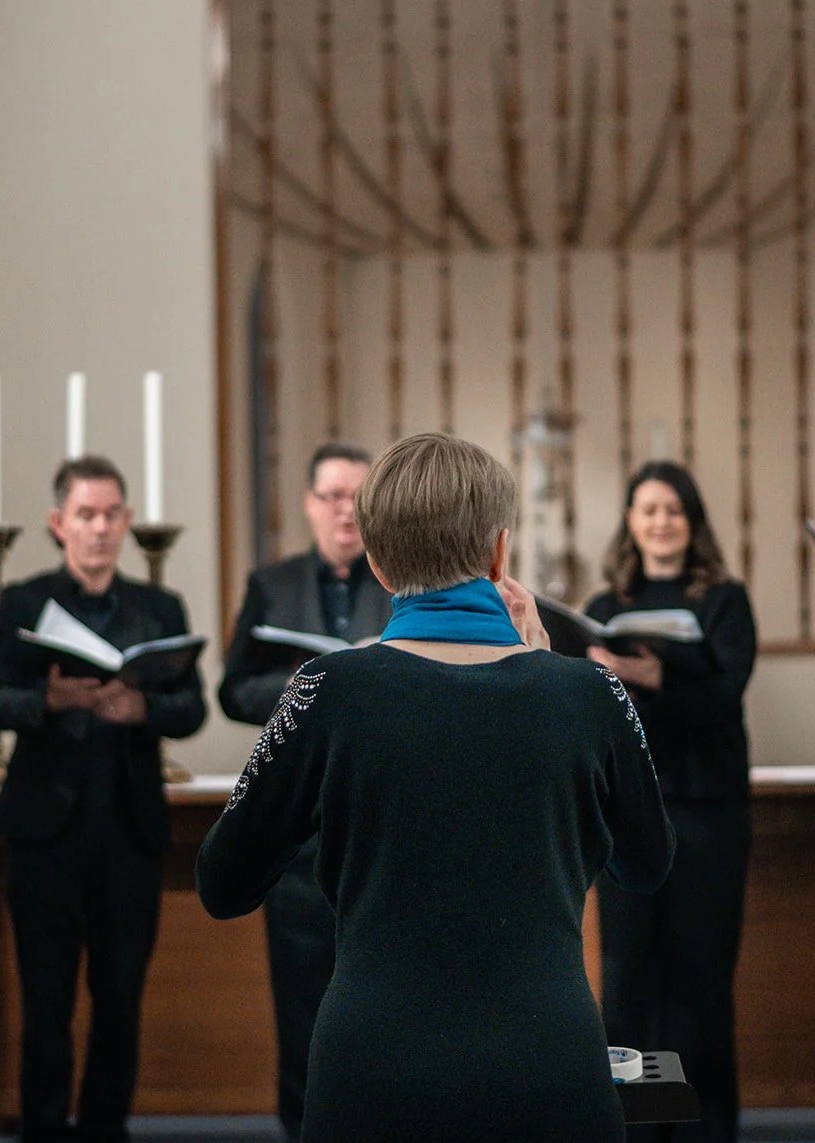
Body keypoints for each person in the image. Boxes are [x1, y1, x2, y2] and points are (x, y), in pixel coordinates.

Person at [197, 432, 674, 1142]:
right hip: (549, 1064)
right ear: (499, 553)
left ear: (380, 566)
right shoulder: (589, 691)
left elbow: (223, 881)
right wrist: (547, 674)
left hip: (374, 1070)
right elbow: (647, 862)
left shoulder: (325, 690)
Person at [0, 455, 207, 1143]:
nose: (100, 527)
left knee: (119, 999)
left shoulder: (158, 607)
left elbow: (191, 706)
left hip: (129, 827)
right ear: (58, 523)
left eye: (112, 514)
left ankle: (106, 1127)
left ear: (128, 521)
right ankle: (45, 1128)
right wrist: (51, 697)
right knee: (45, 1000)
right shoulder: (23, 602)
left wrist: (142, 707)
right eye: (86, 514)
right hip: (45, 827)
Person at [217, 441, 392, 1140]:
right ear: (309, 504)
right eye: (331, 496)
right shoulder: (272, 583)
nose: (344, 510)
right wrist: (306, 683)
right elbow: (232, 688)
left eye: (356, 496)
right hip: (299, 832)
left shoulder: (397, 581)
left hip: (380, 831)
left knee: (382, 1007)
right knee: (302, 1009)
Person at [585, 460, 758, 1143]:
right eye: (648, 508)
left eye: (674, 509)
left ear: (693, 521)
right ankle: (636, 1129)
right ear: (630, 521)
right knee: (629, 984)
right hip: (625, 815)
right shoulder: (602, 608)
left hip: (707, 811)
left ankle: (701, 1130)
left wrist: (655, 674)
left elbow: (723, 697)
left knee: (699, 983)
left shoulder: (725, 601)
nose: (661, 521)